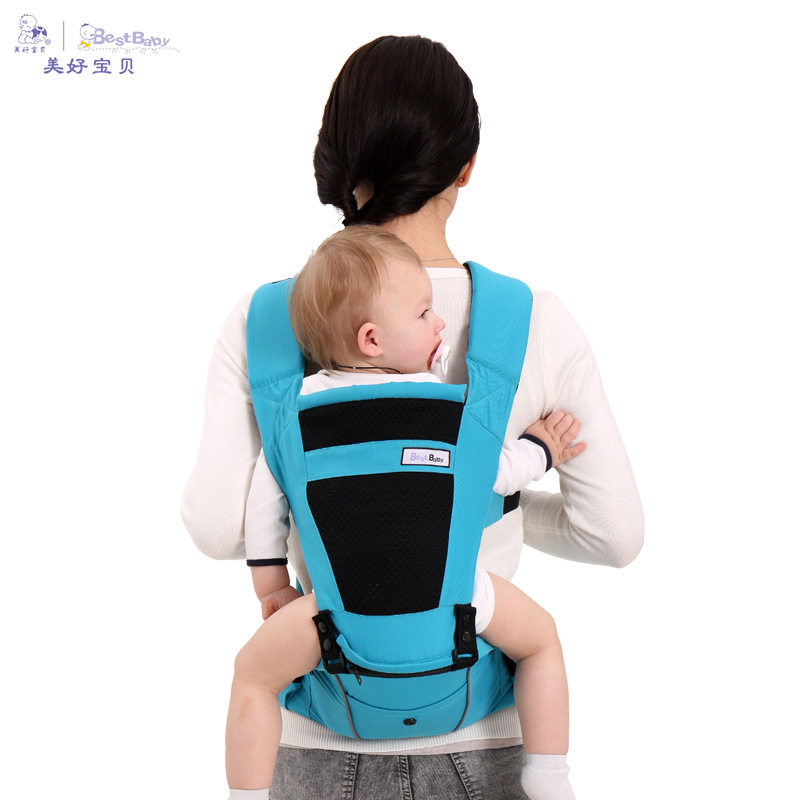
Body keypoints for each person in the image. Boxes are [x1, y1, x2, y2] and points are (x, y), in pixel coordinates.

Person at [182, 35, 644, 800]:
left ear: (337, 161)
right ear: (465, 166)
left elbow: (212, 525)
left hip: (322, 723)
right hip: (483, 727)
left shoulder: (266, 323)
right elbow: (614, 535)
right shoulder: (533, 322)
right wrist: (491, 503)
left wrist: (327, 516)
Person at [226, 226, 586, 800]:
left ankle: (245, 795)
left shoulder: (292, 419)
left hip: (334, 618)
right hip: (458, 602)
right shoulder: (443, 412)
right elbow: (495, 474)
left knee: (251, 677)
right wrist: (542, 448)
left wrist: (270, 585)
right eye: (423, 314)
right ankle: (549, 776)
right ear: (372, 339)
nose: (439, 323)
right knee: (541, 641)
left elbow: (264, 504)